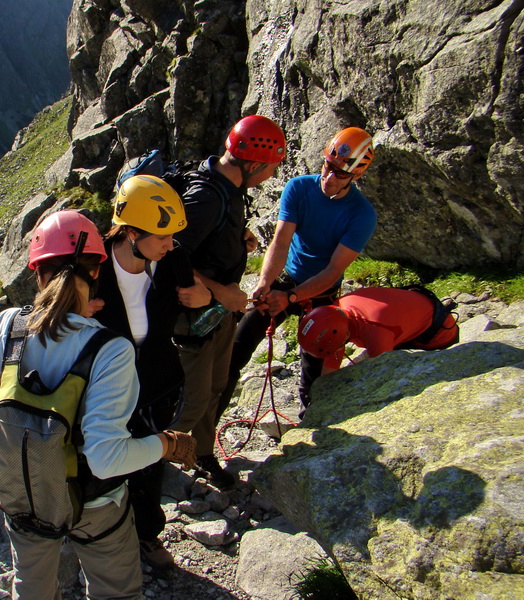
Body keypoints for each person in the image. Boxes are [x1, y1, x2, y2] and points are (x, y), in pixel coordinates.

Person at [0, 210, 196, 600]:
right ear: (96, 271)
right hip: (95, 501)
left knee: (31, 587)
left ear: (37, 274)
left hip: (25, 490)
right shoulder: (111, 350)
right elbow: (106, 458)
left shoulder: (6, 326)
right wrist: (167, 444)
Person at [90, 174, 210, 569]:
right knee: (102, 463)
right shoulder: (93, 271)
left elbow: (198, 312)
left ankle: (146, 534)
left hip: (156, 385)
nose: (170, 244)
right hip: (104, 388)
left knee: (149, 463)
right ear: (130, 232)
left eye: (172, 236)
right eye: (161, 237)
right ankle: (99, 533)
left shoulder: (172, 260)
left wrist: (203, 299)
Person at [221, 126, 377, 419]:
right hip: (287, 278)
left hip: (322, 292)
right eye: (327, 167)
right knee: (236, 351)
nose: (329, 178)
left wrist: (291, 297)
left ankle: (312, 422)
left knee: (314, 373)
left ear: (356, 176)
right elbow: (281, 241)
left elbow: (333, 270)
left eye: (340, 174)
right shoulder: (300, 187)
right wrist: (266, 283)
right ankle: (205, 427)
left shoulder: (362, 215)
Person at [171, 114, 287, 487]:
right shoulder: (207, 195)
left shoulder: (229, 187)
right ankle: (143, 466)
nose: (270, 175)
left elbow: (203, 241)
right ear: (253, 163)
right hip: (195, 314)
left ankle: (201, 453)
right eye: (270, 168)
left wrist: (239, 240)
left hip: (218, 313)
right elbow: (171, 252)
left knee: (218, 385)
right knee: (192, 398)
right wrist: (221, 291)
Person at [297, 286, 459, 373]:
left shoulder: (375, 332)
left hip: (436, 337)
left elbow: (383, 373)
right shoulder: (335, 312)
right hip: (412, 320)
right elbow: (330, 367)